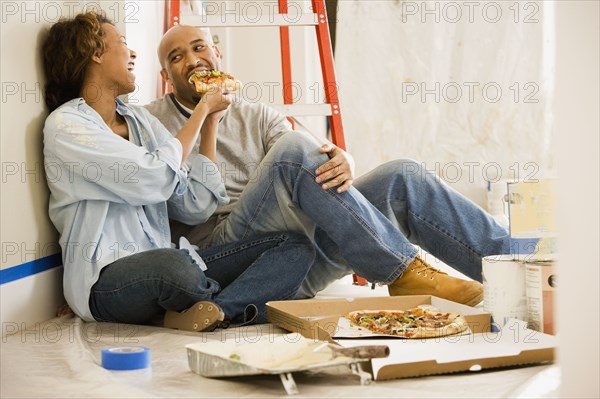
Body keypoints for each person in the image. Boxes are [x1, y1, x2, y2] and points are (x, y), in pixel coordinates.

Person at [146, 25, 512, 307]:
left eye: (199, 48)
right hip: (230, 259)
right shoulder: (149, 123)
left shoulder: (256, 114)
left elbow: (308, 160)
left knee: (402, 175)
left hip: (301, 256)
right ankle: (400, 270)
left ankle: (519, 265)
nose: (193, 60)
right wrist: (205, 115)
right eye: (176, 57)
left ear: (217, 53)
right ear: (166, 76)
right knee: (292, 150)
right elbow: (178, 205)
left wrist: (344, 160)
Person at [41, 12, 315, 331]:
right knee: (174, 267)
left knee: (294, 246)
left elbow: (195, 206)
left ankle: (217, 311)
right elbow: (154, 177)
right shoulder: (68, 127)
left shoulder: (140, 122)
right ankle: (246, 298)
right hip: (107, 281)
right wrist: (201, 112)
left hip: (174, 265)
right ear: (96, 53)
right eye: (123, 44)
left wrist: (211, 120)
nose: (132, 53)